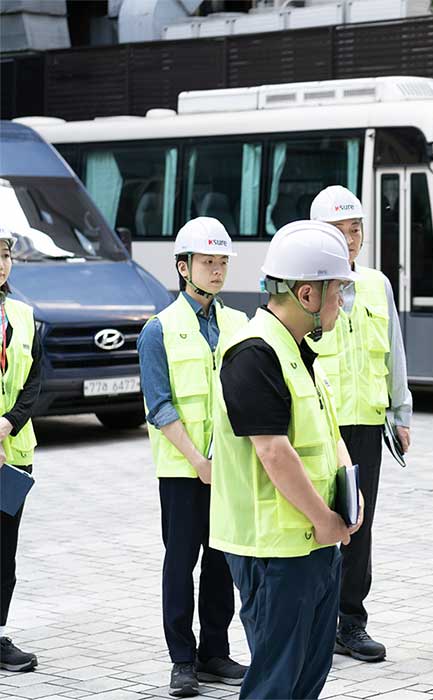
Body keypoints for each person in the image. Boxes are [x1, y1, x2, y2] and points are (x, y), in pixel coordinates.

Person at [210, 220, 364, 700]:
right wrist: (324, 520)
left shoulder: (299, 352)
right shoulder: (253, 353)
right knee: (276, 682)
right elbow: (273, 452)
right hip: (274, 549)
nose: (342, 299)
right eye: (337, 289)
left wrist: (345, 511)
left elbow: (328, 437)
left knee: (306, 677)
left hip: (313, 540)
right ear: (306, 294)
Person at [137, 217, 248, 697]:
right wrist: (197, 461)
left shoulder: (239, 323)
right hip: (184, 471)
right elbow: (159, 406)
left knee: (222, 561)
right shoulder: (159, 330)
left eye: (222, 262)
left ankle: (214, 652)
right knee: (180, 563)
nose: (217, 270)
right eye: (207, 262)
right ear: (184, 267)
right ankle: (182, 660)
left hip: (230, 467)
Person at [308, 185, 412, 662]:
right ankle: (315, 620)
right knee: (314, 522)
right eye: (338, 230)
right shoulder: (305, 285)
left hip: (366, 426)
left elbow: (394, 352)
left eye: (355, 230)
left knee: (358, 524)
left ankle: (351, 623)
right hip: (318, 427)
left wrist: (401, 412)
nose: (349, 239)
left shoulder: (376, 285)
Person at [0, 226, 42, 673]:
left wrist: (9, 422)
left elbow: (33, 381)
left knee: (4, 552)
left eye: (5, 254)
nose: (0, 262)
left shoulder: (25, 315)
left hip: (15, 453)